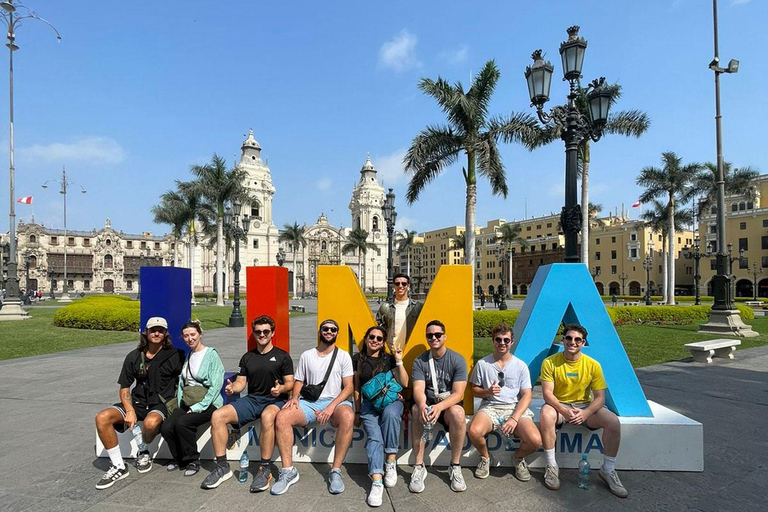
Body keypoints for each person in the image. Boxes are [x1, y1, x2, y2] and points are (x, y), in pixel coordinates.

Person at [200, 315, 294, 492]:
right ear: (254, 333)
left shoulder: (283, 356)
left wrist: (281, 389)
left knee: (267, 417)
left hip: (275, 400)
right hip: (253, 400)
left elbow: (290, 383)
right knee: (217, 415)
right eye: (258, 332)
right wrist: (232, 389)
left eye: (266, 331)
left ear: (272, 333)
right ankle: (222, 467)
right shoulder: (247, 357)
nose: (262, 335)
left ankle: (264, 468)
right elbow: (241, 383)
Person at [539, 323, 628, 498]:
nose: (572, 342)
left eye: (577, 339)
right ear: (563, 340)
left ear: (583, 343)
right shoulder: (550, 362)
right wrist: (564, 411)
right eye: (569, 338)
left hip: (584, 407)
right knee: (545, 414)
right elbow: (547, 394)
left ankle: (608, 470)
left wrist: (585, 413)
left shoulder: (593, 365)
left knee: (613, 422)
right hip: (560, 406)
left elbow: (600, 398)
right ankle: (551, 466)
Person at [94, 317, 184, 489]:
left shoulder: (176, 355)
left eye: (160, 330)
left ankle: (143, 449)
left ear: (165, 334)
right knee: (102, 417)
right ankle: (119, 466)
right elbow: (125, 387)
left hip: (161, 402)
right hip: (137, 402)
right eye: (153, 330)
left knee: (151, 423)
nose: (157, 333)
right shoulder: (134, 356)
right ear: (146, 332)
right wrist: (129, 410)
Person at [271, 319, 355, 496]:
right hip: (311, 401)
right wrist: (294, 397)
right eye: (326, 329)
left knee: (348, 416)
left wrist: (331, 408)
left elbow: (348, 387)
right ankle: (288, 471)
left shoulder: (343, 355)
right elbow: (299, 380)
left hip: (335, 400)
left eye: (333, 329)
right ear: (320, 331)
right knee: (282, 417)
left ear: (337, 333)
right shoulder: (307, 355)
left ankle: (336, 471)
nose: (329, 332)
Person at [468, 322, 541, 481]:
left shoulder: (520, 366)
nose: (502, 343)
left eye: (506, 340)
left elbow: (527, 395)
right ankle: (486, 458)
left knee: (535, 440)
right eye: (498, 340)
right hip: (490, 406)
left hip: (514, 407)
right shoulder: (482, 364)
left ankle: (518, 458)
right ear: (493, 341)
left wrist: (515, 418)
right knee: (474, 431)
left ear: (512, 342)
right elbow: (473, 389)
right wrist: (487, 391)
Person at [409, 320, 468, 493]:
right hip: (428, 405)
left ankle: (455, 465)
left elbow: (459, 394)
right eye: (430, 335)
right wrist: (422, 405)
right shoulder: (420, 361)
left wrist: (440, 407)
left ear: (444, 337)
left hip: (447, 406)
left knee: (458, 413)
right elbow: (418, 388)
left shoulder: (457, 360)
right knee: (415, 410)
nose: (434, 338)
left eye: (437, 335)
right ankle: (419, 466)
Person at [160, 320, 225, 477]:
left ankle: (193, 460)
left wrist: (198, 407)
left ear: (200, 335)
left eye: (193, 335)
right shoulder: (189, 355)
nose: (190, 339)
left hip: (208, 403)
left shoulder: (211, 355)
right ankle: (179, 459)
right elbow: (184, 384)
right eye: (186, 336)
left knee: (183, 423)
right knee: (167, 427)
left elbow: (216, 386)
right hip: (189, 401)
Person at [353, 325, 408, 507]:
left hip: (391, 400)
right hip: (369, 404)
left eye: (379, 338)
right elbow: (356, 388)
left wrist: (399, 361)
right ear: (366, 337)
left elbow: (405, 383)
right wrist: (358, 411)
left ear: (383, 342)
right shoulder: (357, 359)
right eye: (372, 337)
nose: (375, 340)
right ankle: (377, 481)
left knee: (392, 415)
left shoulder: (388, 359)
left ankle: (390, 460)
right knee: (375, 438)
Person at [375, 273, 423, 352]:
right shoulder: (385, 307)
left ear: (408, 286)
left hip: (410, 352)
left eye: (404, 284)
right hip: (389, 352)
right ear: (393, 286)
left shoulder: (417, 307)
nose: (400, 286)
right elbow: (378, 328)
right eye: (397, 283)